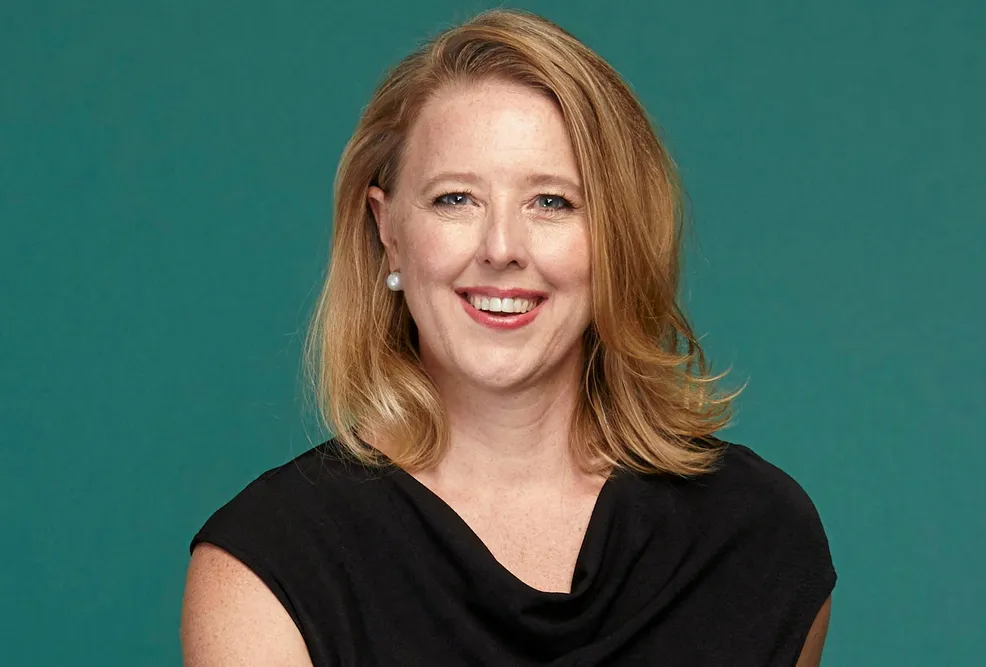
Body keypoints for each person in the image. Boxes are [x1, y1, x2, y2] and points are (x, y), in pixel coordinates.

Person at [180, 8, 837, 666]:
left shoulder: (758, 538)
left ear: (616, 236)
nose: (500, 248)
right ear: (389, 231)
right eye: (455, 199)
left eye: (551, 202)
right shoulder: (266, 569)